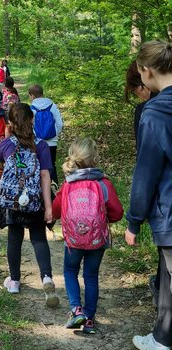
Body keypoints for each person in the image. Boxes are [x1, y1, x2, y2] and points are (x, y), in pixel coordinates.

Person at [125, 40, 172, 350]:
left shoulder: (154, 112)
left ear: (147, 71)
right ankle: (162, 337)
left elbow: (146, 172)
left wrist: (134, 220)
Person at [52, 137, 123, 334]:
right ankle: (90, 319)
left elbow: (57, 210)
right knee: (91, 276)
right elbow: (117, 212)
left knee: (70, 271)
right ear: (95, 159)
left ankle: (77, 311)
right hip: (97, 240)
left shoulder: (67, 185)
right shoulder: (103, 184)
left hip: (74, 241)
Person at [0, 102, 59, 308]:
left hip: (13, 201)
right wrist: (48, 207)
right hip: (34, 200)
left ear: (10, 123)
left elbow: (0, 164)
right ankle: (47, 278)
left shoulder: (6, 144)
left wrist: (8, 136)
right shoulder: (41, 145)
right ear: (32, 121)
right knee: (39, 239)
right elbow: (45, 175)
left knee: (14, 239)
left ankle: (14, 281)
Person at [125, 60, 160, 307]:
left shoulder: (147, 112)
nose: (138, 93)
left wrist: (136, 218)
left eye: (136, 88)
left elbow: (145, 161)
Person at [28, 84, 63, 185]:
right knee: (51, 165)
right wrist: (53, 135)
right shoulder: (52, 106)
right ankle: (54, 190)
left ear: (32, 96)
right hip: (52, 143)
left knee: (38, 166)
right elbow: (60, 123)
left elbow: (29, 126)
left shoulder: (32, 109)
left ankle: (39, 191)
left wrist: (35, 137)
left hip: (37, 142)